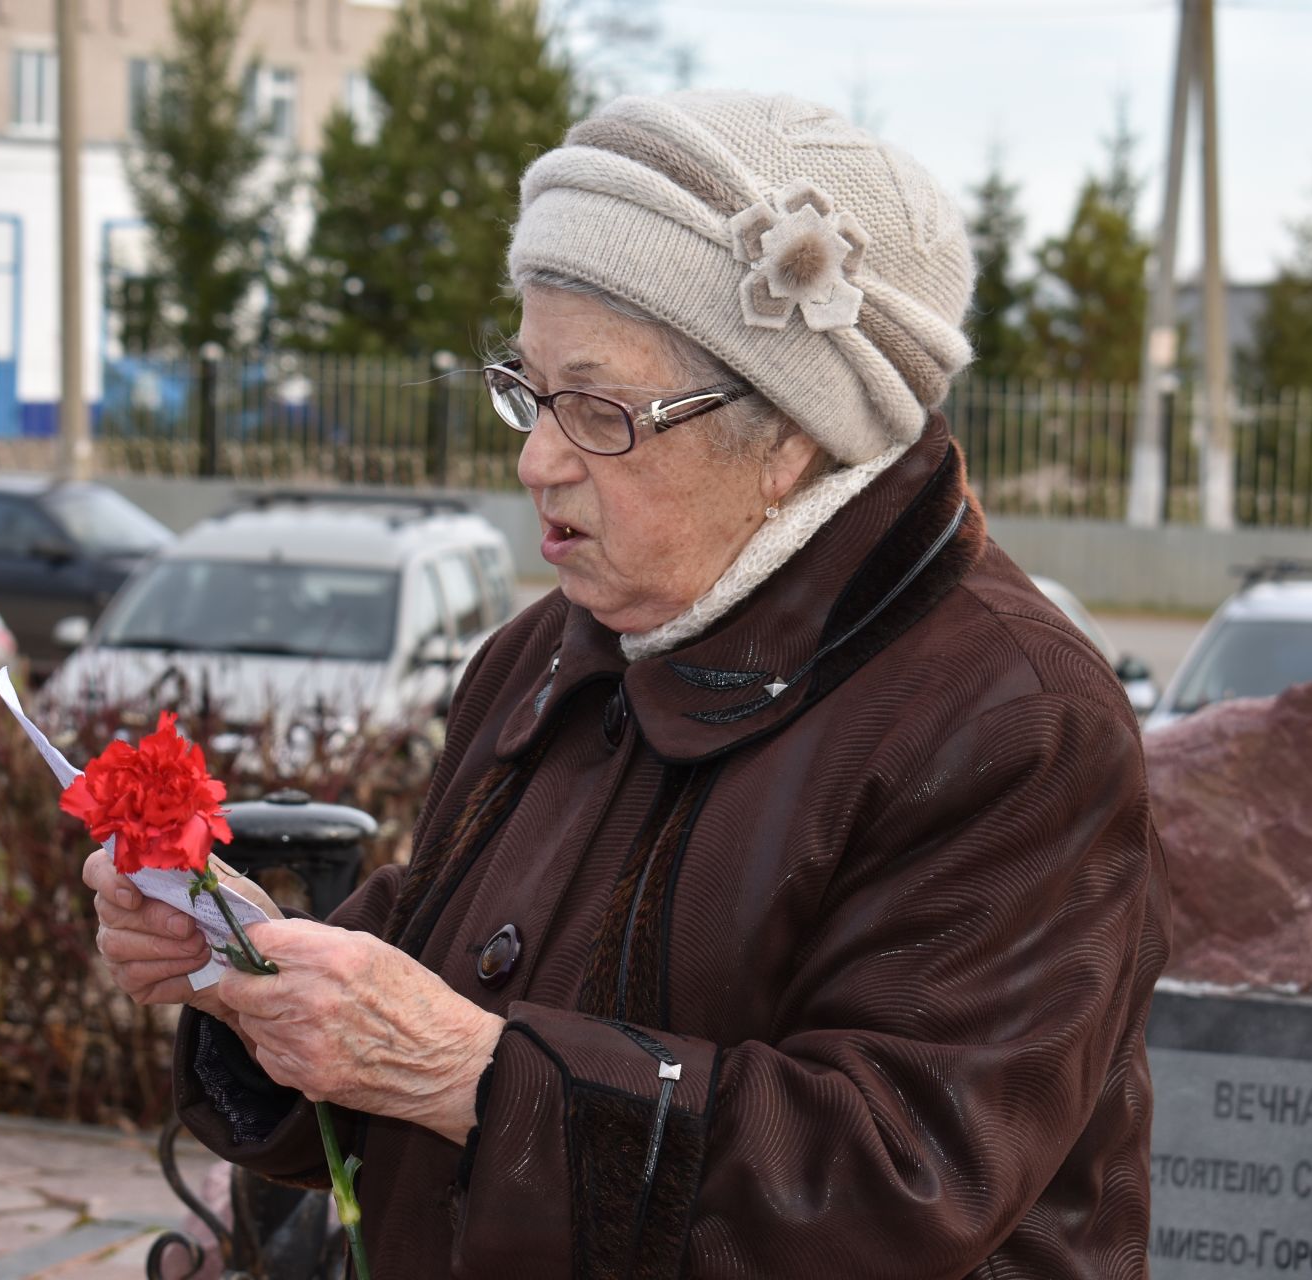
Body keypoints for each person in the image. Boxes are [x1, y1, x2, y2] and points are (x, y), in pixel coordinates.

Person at [85, 90, 1171, 1278]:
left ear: (792, 436)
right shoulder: (545, 651)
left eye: (599, 410)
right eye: (528, 389)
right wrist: (255, 972)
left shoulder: (1013, 717)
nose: (535, 458)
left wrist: (471, 1074)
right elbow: (440, 987)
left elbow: (894, 1177)